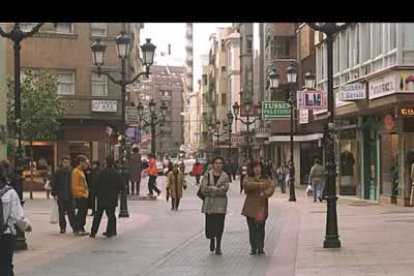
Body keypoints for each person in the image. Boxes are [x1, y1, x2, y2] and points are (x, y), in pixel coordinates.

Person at [0, 166, 32, 276]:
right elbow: (17, 216)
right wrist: (26, 226)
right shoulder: (10, 192)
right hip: (5, 234)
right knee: (6, 265)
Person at [242, 160, 275, 255]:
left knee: (261, 227)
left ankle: (260, 247)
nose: (257, 169)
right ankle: (253, 247)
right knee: (252, 228)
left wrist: (265, 193)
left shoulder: (266, 178)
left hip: (262, 206)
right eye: (255, 167)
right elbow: (245, 185)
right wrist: (258, 185)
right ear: (252, 169)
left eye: (259, 167)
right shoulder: (248, 177)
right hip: (250, 206)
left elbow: (271, 187)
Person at [200, 156, 230, 255]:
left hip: (221, 205)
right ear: (213, 164)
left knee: (220, 225)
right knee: (210, 225)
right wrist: (217, 189)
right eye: (216, 163)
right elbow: (204, 188)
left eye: (220, 163)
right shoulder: (207, 175)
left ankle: (218, 246)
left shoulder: (225, 176)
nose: (218, 165)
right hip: (209, 204)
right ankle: (211, 238)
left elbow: (225, 189)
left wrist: (212, 189)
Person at [90, 157, 124, 238]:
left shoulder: (100, 173)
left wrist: (95, 193)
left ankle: (93, 232)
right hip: (112, 197)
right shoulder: (116, 173)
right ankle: (110, 232)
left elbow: (95, 184)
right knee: (111, 215)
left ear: (105, 162)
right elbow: (122, 186)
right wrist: (117, 191)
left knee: (98, 215)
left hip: (101, 197)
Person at [51, 156, 77, 234]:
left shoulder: (72, 171)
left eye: (67, 162)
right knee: (61, 213)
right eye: (64, 162)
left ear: (69, 163)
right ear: (62, 163)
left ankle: (74, 227)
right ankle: (62, 228)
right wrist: (54, 193)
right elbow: (54, 183)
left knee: (71, 213)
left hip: (70, 195)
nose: (66, 164)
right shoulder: (58, 172)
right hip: (61, 195)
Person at [71, 155, 90, 236]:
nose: (86, 164)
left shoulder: (81, 171)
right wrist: (80, 194)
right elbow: (74, 186)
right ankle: (78, 229)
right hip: (81, 195)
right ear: (81, 162)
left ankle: (81, 228)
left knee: (83, 213)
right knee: (80, 213)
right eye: (85, 162)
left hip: (84, 195)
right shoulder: (76, 172)